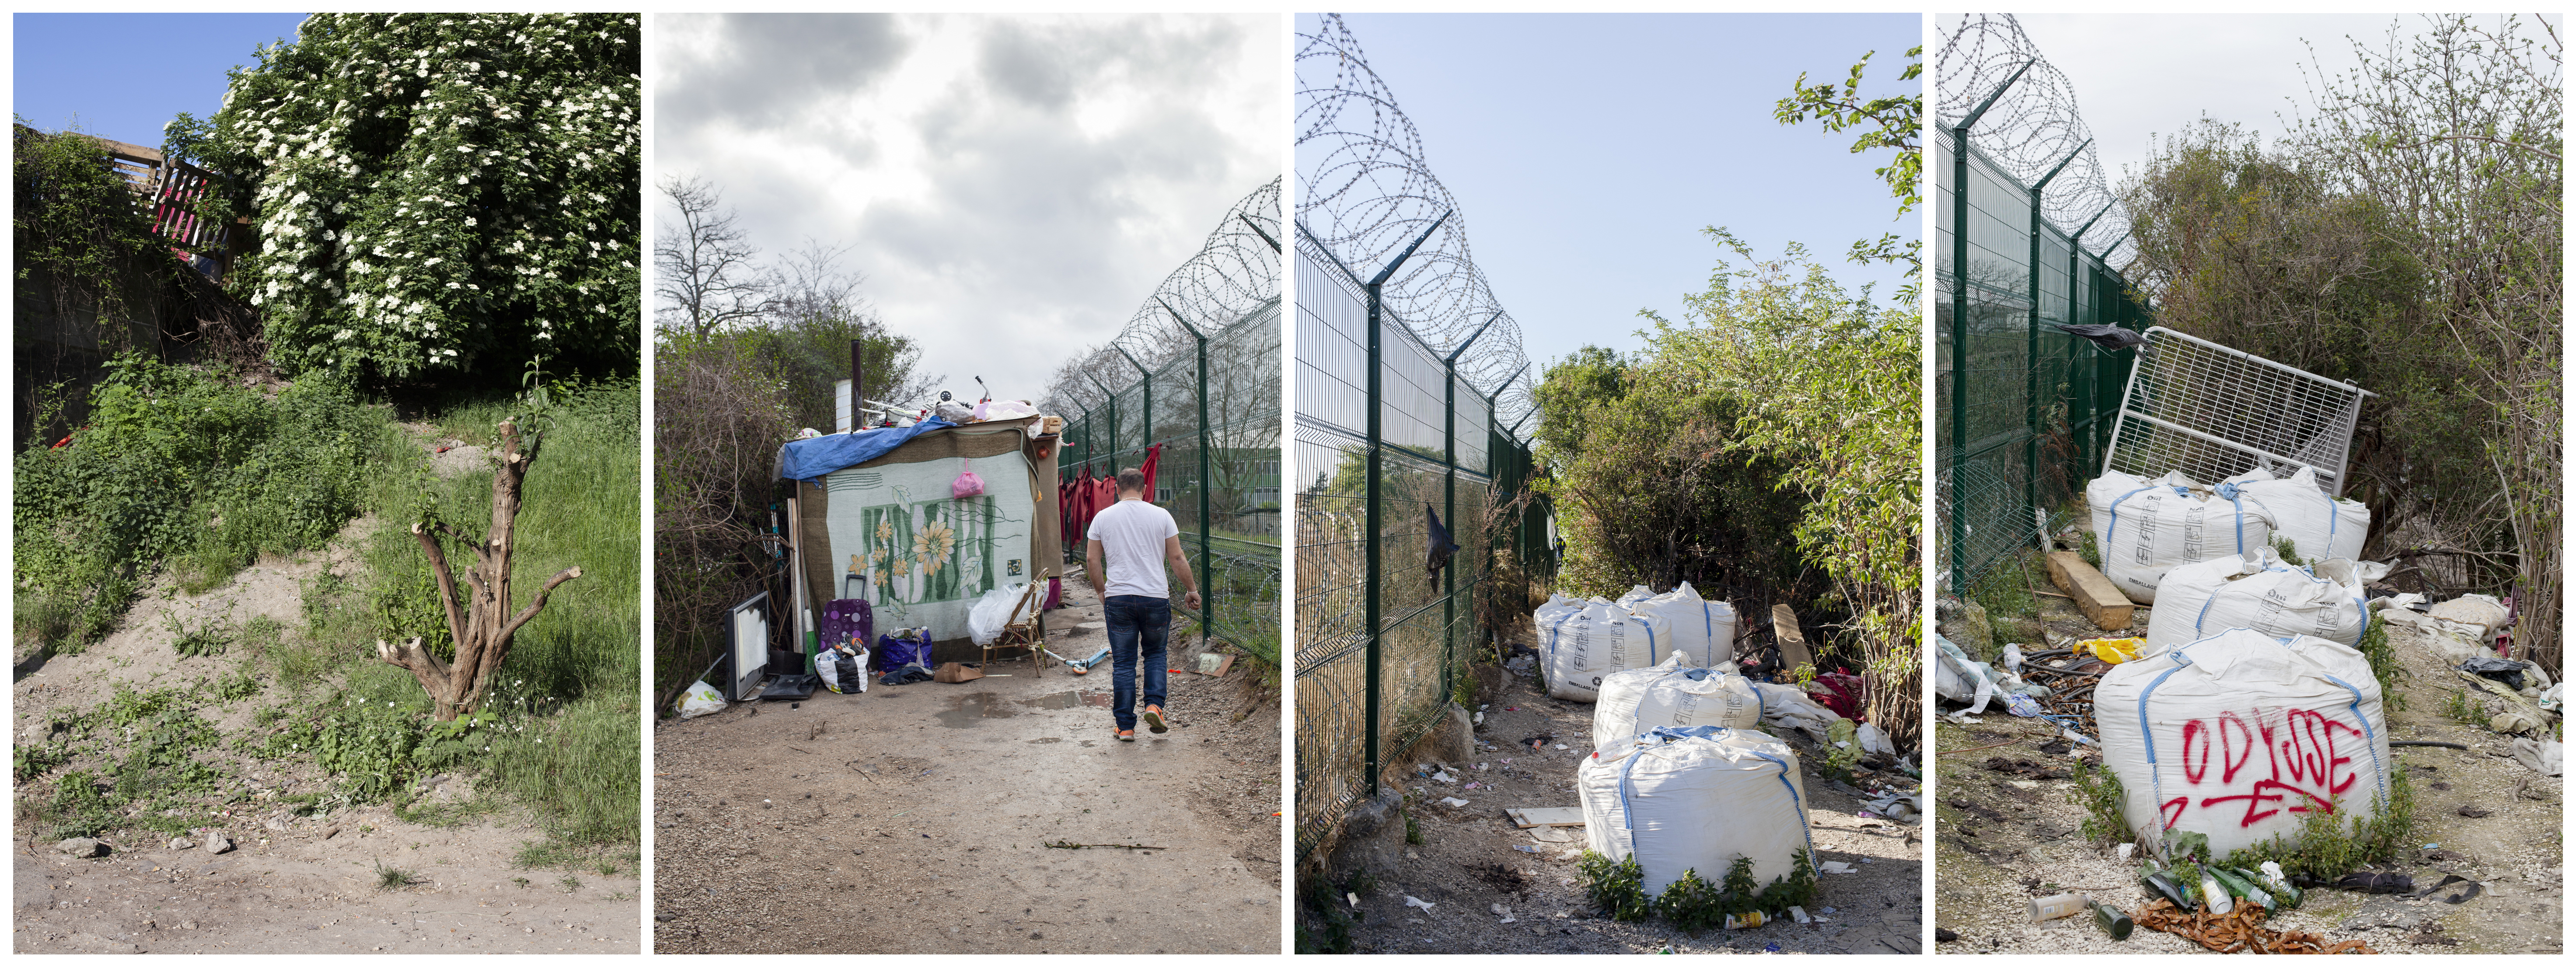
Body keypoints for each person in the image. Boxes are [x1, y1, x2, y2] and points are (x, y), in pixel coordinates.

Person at [1082, 467, 1201, 742]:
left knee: (1124, 663)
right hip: (1155, 598)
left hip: (1119, 598)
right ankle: (1154, 707)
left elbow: (1092, 560)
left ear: (1117, 489)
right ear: (1145, 489)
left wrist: (1102, 591)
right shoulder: (1162, 516)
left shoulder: (1102, 518)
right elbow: (1178, 558)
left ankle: (1125, 727)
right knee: (1156, 655)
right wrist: (1191, 590)